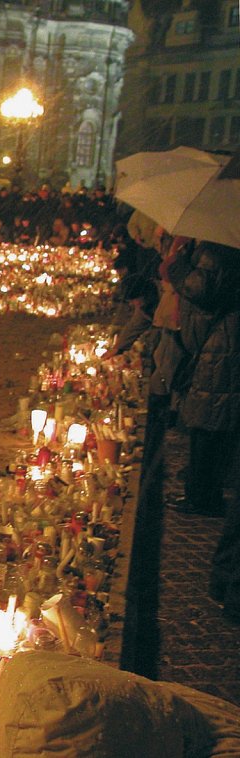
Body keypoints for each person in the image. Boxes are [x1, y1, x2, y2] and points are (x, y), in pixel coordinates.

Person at [165, 240, 240, 620]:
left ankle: (228, 584)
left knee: (207, 426)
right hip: (223, 349)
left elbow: (201, 292)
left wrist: (175, 266)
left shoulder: (220, 248)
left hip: (222, 352)